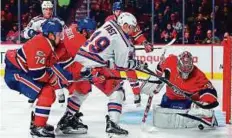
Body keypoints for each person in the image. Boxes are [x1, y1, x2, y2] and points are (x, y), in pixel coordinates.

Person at [56, 12, 148, 137]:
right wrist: (136, 64)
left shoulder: (104, 24)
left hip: (74, 63)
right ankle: (113, 124)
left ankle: (66, 120)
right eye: (131, 27)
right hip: (86, 66)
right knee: (117, 90)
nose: (132, 31)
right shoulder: (122, 42)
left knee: (82, 91)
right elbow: (122, 65)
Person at [4, 19, 64, 137]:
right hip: (15, 73)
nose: (60, 37)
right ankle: (37, 127)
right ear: (51, 35)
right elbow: (37, 74)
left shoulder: (47, 41)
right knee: (46, 92)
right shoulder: (42, 45)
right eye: (58, 34)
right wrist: (51, 78)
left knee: (49, 94)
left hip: (22, 70)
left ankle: (38, 122)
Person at [153, 51, 219, 128]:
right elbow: (159, 70)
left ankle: (204, 116)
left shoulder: (198, 75)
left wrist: (206, 103)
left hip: (187, 100)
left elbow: (209, 90)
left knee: (196, 107)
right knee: (165, 103)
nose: (185, 70)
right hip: (169, 98)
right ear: (178, 63)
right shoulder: (171, 60)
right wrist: (160, 73)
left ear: (192, 65)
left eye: (188, 67)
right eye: (183, 67)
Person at [105, 1, 154, 106]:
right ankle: (119, 91)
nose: (119, 13)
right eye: (117, 10)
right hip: (114, 51)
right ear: (113, 11)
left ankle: (136, 94)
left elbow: (137, 34)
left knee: (130, 70)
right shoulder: (109, 20)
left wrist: (145, 43)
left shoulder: (128, 18)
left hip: (127, 49)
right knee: (115, 71)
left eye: (120, 10)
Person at [23, 0, 66, 104]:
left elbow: (65, 34)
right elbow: (24, 33)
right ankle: (33, 93)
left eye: (50, 9)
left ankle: (60, 93)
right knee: (36, 72)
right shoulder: (36, 20)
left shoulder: (58, 20)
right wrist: (31, 33)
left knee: (55, 71)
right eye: (46, 9)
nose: (48, 11)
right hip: (39, 50)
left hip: (54, 50)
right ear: (42, 10)